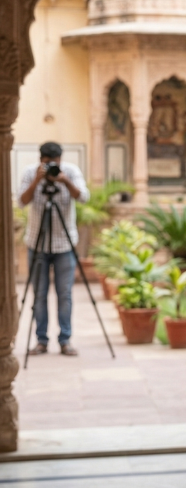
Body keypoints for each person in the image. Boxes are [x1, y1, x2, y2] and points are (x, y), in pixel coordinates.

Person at [18, 141, 89, 356]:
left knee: (64, 295)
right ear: (40, 160)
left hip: (64, 245)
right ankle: (41, 341)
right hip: (37, 244)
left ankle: (65, 340)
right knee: (39, 295)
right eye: (47, 163)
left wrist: (65, 180)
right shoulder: (30, 173)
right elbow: (21, 201)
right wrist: (36, 181)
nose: (51, 167)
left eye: (55, 163)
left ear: (60, 160)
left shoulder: (70, 172)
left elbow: (84, 197)